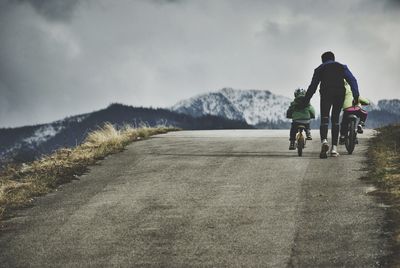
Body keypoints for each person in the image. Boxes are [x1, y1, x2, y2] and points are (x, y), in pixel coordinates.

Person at [303, 51, 359, 158]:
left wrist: (306, 100)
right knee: (335, 120)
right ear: (333, 58)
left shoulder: (320, 68)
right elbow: (352, 80)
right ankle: (334, 149)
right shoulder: (342, 67)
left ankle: (324, 141)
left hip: (326, 93)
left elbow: (313, 86)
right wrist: (356, 96)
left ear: (323, 60)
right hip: (339, 93)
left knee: (324, 119)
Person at [339, 80, 370, 144]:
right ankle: (360, 124)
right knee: (364, 114)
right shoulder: (355, 93)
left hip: (347, 110)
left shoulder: (342, 94)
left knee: (344, 123)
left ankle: (342, 136)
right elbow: (365, 101)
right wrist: (367, 102)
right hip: (356, 110)